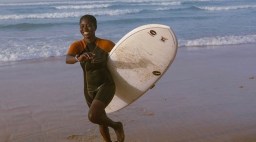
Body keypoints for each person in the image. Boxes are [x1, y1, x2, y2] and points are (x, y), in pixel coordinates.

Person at [66, 14, 125, 142]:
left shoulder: (106, 44)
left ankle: (117, 126)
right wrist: (78, 58)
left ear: (95, 27)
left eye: (89, 25)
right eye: (82, 26)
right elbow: (67, 59)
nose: (85, 28)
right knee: (100, 120)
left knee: (93, 116)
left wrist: (146, 81)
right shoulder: (77, 45)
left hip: (106, 85)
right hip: (88, 89)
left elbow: (124, 59)